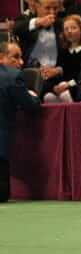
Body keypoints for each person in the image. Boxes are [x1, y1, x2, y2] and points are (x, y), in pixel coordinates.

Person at [0, 41, 40, 203]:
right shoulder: (12, 76)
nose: (21, 62)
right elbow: (31, 106)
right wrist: (34, 96)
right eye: (15, 57)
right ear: (1, 57)